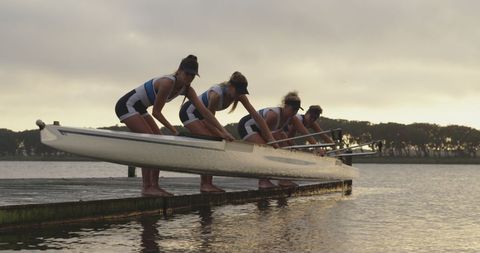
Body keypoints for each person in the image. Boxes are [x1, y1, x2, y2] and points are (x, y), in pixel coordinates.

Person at [115, 55, 234, 196]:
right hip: (127, 105)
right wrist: (173, 130)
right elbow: (156, 112)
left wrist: (223, 132)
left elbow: (205, 112)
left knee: (158, 143)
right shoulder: (167, 83)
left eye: (192, 75)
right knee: (151, 143)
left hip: (140, 108)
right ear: (179, 71)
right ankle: (147, 187)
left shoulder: (188, 90)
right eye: (187, 74)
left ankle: (154, 186)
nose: (189, 78)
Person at [180, 71, 279, 193]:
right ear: (231, 87)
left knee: (216, 143)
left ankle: (208, 183)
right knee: (210, 144)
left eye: (241, 93)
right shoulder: (216, 95)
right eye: (238, 92)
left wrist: (270, 139)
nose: (239, 96)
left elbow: (257, 117)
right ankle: (205, 184)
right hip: (190, 113)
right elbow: (208, 121)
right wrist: (223, 133)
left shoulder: (240, 95)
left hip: (206, 117)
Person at [237, 91, 317, 189]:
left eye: (297, 110)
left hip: (265, 131)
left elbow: (306, 134)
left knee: (285, 150)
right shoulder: (273, 115)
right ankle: (263, 181)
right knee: (265, 150)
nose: (295, 113)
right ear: (286, 106)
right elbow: (264, 133)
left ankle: (283, 180)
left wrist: (317, 147)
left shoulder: (293, 118)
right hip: (248, 126)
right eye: (293, 109)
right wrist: (275, 145)